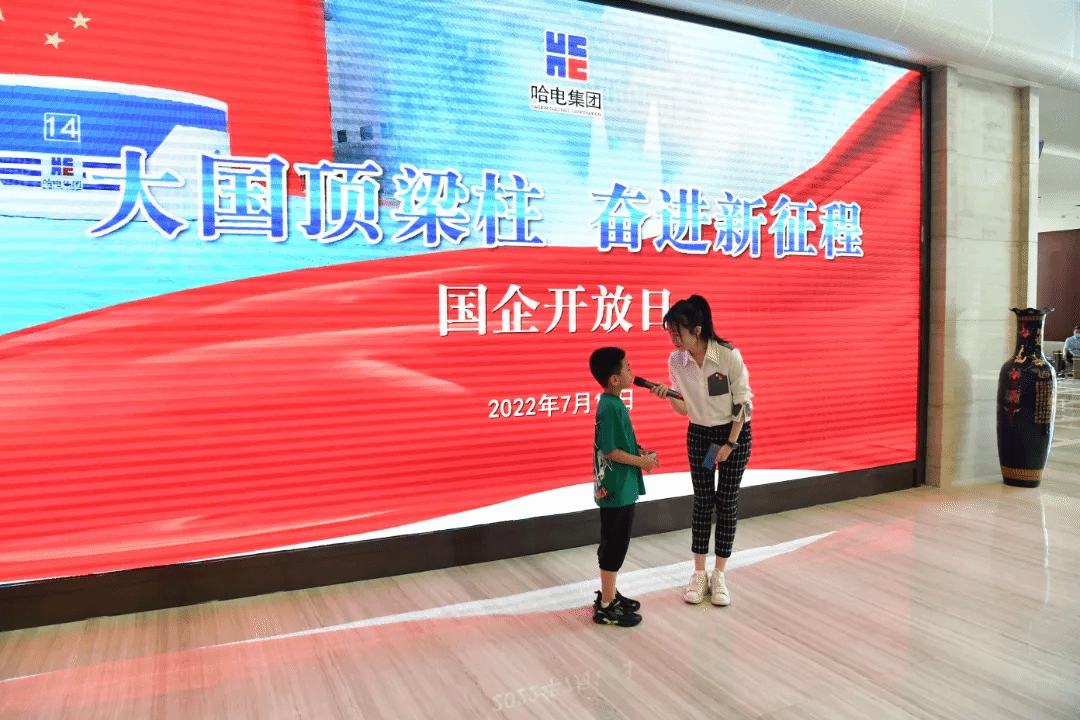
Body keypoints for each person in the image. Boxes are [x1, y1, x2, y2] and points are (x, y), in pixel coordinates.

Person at [647, 295, 752, 607]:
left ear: (697, 329)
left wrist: (730, 444)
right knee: (704, 501)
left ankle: (719, 574)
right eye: (670, 332)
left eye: (677, 332)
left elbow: (743, 403)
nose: (673, 338)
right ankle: (699, 573)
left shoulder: (728, 356)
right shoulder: (676, 361)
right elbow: (685, 408)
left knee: (726, 501)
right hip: (702, 437)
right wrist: (669, 396)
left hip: (732, 435)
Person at [588, 346, 660, 627]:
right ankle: (607, 606)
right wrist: (642, 462)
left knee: (615, 541)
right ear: (614, 379)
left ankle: (610, 594)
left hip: (620, 485)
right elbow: (610, 450)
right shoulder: (609, 407)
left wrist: (640, 452)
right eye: (627, 367)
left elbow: (620, 442)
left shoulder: (613, 403)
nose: (632, 371)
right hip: (616, 488)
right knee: (615, 544)